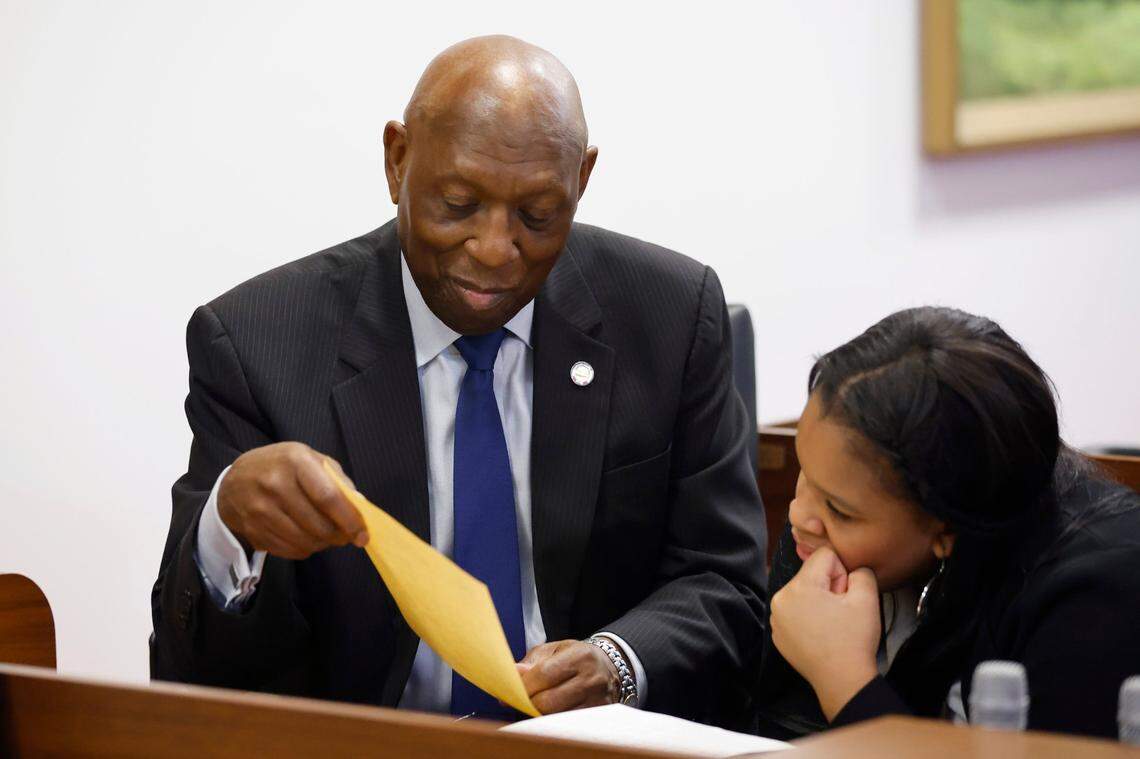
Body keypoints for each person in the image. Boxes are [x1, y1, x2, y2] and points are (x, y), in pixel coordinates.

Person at [150, 35, 766, 726]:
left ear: (582, 179)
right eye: (458, 203)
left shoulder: (670, 317)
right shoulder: (260, 342)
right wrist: (228, 526)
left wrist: (618, 661)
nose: (495, 248)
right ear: (397, 160)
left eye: (537, 213)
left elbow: (727, 584)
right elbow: (186, 662)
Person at [755, 306, 1140, 739]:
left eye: (839, 510)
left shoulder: (1096, 598)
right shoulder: (825, 543)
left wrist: (843, 680)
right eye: (804, 472)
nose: (799, 515)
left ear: (947, 529)